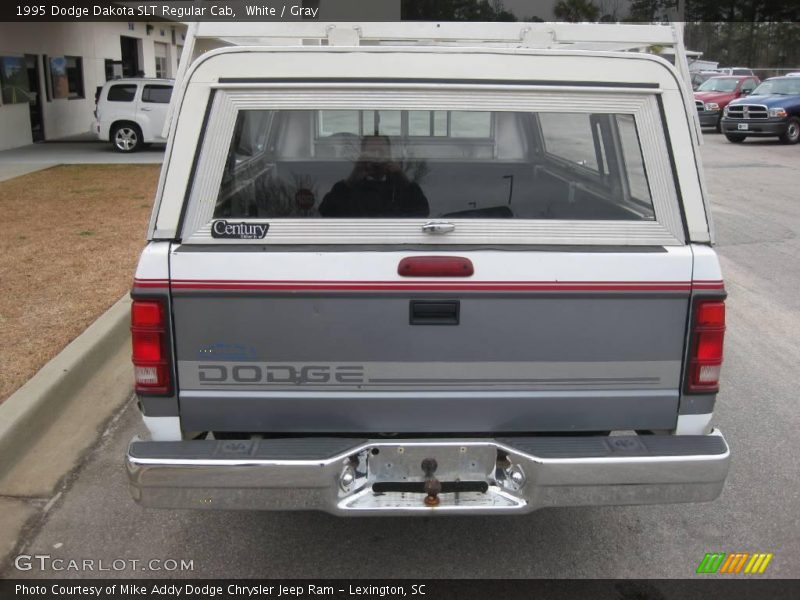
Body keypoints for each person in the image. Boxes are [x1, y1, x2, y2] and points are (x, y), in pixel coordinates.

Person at [318, 136, 429, 218]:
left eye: (381, 153)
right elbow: (326, 211)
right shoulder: (351, 187)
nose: (376, 159)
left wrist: (401, 177)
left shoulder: (399, 187)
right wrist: (351, 179)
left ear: (389, 155)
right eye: (371, 153)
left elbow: (423, 211)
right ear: (362, 156)